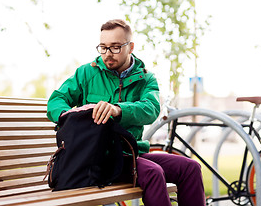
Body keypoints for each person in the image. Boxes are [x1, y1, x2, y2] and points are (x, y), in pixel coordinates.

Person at [47, 19, 205, 206]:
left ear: (130, 47)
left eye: (115, 47)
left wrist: (118, 110)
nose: (107, 54)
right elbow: (55, 102)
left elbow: (151, 108)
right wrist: (73, 117)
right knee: (153, 172)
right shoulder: (86, 74)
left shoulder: (146, 78)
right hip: (98, 158)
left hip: (131, 153)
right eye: (103, 47)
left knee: (190, 167)